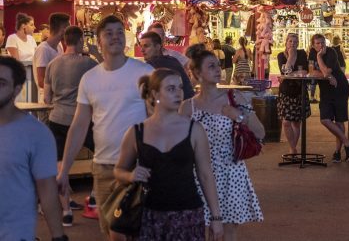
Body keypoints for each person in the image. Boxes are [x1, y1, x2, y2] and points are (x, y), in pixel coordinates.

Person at [57, 15, 154, 238]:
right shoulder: (89, 79)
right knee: (110, 231)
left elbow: (158, 116)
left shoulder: (144, 72)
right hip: (102, 167)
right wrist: (64, 169)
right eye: (108, 33)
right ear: (98, 41)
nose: (115, 37)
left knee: (136, 230)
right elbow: (79, 125)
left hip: (137, 166)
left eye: (119, 32)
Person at [115, 69, 224, 241]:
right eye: (171, 89)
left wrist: (216, 218)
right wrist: (130, 175)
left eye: (180, 88)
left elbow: (205, 175)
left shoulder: (194, 129)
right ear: (155, 94)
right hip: (149, 215)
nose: (178, 93)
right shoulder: (137, 132)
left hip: (188, 214)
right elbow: (118, 170)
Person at [180, 44, 263, 239]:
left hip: (230, 173)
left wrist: (240, 116)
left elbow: (260, 132)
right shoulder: (187, 107)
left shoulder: (234, 97)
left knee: (228, 231)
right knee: (199, 228)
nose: (218, 69)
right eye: (211, 66)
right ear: (197, 73)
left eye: (218, 65)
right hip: (198, 175)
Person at [0, 56, 67, 241]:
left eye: (1, 83)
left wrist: (58, 237)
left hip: (14, 234)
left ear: (17, 90)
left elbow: (47, 190)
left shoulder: (36, 134)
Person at [44, 25, 98, 226]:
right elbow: (109, 69)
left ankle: (66, 211)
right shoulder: (88, 63)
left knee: (61, 166)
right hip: (81, 120)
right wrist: (96, 53)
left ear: (64, 41)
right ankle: (93, 196)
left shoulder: (52, 64)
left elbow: (47, 97)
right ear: (81, 41)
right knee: (100, 154)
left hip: (57, 119)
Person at [310, 34, 349, 163]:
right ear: (313, 45)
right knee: (325, 119)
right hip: (326, 89)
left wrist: (319, 58)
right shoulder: (311, 54)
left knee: (339, 121)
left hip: (339, 88)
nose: (321, 46)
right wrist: (328, 77)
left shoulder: (331, 52)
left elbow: (325, 71)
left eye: (322, 43)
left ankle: (337, 152)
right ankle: (347, 143)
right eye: (318, 44)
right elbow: (312, 72)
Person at [277, 33, 310, 155]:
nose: (293, 44)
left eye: (295, 42)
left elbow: (305, 71)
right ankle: (292, 147)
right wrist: (290, 56)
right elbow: (284, 71)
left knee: (296, 122)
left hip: (299, 91)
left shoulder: (302, 54)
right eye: (290, 41)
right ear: (286, 42)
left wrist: (287, 75)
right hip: (286, 91)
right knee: (286, 122)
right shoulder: (281, 55)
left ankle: (293, 148)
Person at [140, 31, 194, 99]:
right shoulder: (173, 59)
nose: (142, 50)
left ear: (157, 47)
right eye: (141, 46)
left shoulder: (151, 65)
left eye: (146, 46)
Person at [34, 13, 70, 102]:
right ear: (63, 29)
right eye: (68, 29)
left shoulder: (59, 46)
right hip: (46, 100)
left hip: (57, 97)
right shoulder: (43, 49)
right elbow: (41, 81)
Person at [6, 13, 37, 100]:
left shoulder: (31, 39)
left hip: (33, 73)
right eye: (31, 25)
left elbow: (36, 57)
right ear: (23, 26)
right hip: (20, 75)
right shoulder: (12, 38)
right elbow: (16, 61)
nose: (34, 27)